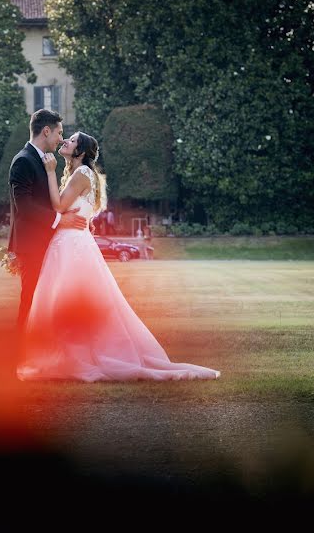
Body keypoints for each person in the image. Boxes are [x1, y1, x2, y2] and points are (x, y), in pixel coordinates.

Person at [16, 131, 220, 382]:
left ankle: (73, 356)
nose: (65, 141)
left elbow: (58, 207)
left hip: (71, 247)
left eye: (71, 140)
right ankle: (66, 354)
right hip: (73, 243)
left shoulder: (81, 174)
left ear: (79, 152)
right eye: (65, 137)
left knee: (64, 299)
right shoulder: (80, 174)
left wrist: (49, 171)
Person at [8, 109, 88, 333]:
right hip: (32, 247)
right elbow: (23, 206)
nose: (61, 138)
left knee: (45, 304)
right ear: (46, 131)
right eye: (59, 133)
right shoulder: (23, 161)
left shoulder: (45, 161)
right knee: (31, 300)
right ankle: (16, 357)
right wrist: (59, 221)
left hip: (46, 245)